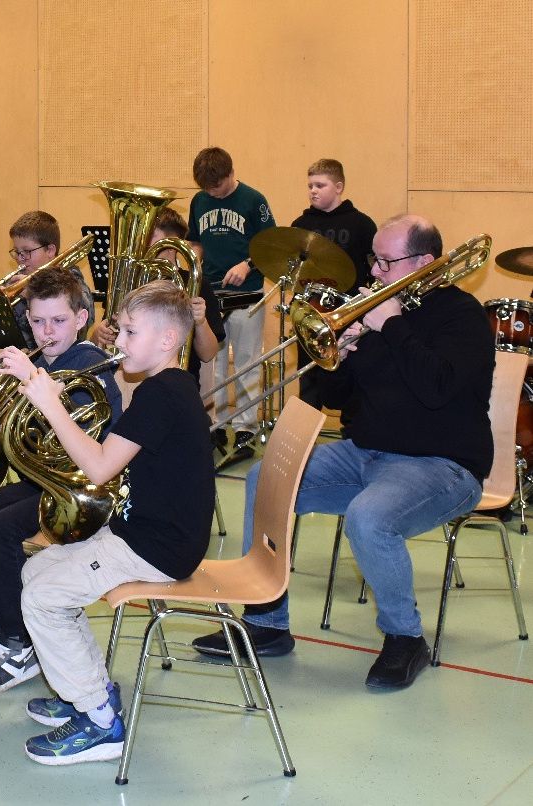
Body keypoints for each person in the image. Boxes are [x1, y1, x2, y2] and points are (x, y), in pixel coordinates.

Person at [193, 214, 494, 690]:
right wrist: (339, 355)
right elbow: (336, 398)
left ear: (424, 263)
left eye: (386, 262)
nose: (373, 271)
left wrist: (391, 325)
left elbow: (437, 388)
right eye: (375, 259)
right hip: (365, 454)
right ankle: (266, 621)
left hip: (443, 465)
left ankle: (405, 637)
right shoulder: (375, 311)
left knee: (368, 518)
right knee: (264, 479)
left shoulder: (462, 316)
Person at [15, 281, 216, 765]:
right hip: (138, 530)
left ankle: (101, 721)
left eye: (130, 331)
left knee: (42, 598)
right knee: (37, 571)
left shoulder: (162, 395)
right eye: (120, 330)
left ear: (168, 340)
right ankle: (91, 688)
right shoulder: (167, 386)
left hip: (157, 547)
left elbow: (100, 467)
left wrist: (51, 405)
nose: (118, 341)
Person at [0, 267, 122, 695]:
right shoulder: (40, 361)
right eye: (38, 321)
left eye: (58, 320)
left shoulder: (92, 364)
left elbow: (84, 440)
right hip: (41, 482)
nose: (47, 331)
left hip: (79, 489)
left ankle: (20, 641)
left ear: (81, 319)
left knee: (0, 529)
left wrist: (32, 381)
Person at [187, 147, 275, 456]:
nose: (213, 192)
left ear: (231, 173)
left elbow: (271, 245)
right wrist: (194, 265)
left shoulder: (253, 200)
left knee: (247, 361)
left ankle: (245, 428)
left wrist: (247, 265)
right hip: (211, 294)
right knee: (214, 363)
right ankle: (217, 425)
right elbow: (195, 241)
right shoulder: (199, 201)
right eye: (207, 188)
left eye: (218, 186)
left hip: (247, 294)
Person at [90, 206, 225, 388]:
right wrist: (98, 334)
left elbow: (208, 354)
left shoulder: (198, 285)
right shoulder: (129, 280)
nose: (141, 241)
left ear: (173, 242)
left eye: (149, 235)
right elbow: (104, 339)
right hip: (124, 382)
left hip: (175, 384)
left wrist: (200, 322)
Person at [290, 159, 377, 409]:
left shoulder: (361, 224)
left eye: (320, 185)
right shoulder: (301, 225)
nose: (313, 191)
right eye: (310, 186)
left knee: (351, 374)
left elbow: (374, 268)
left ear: (338, 187)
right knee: (309, 378)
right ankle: (308, 426)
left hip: (349, 312)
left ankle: (352, 426)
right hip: (313, 312)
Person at [6, 211, 95, 349]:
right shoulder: (20, 280)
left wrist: (33, 293)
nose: (20, 258)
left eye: (27, 251)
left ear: (50, 250)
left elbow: (86, 317)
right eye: (17, 252)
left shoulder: (71, 278)